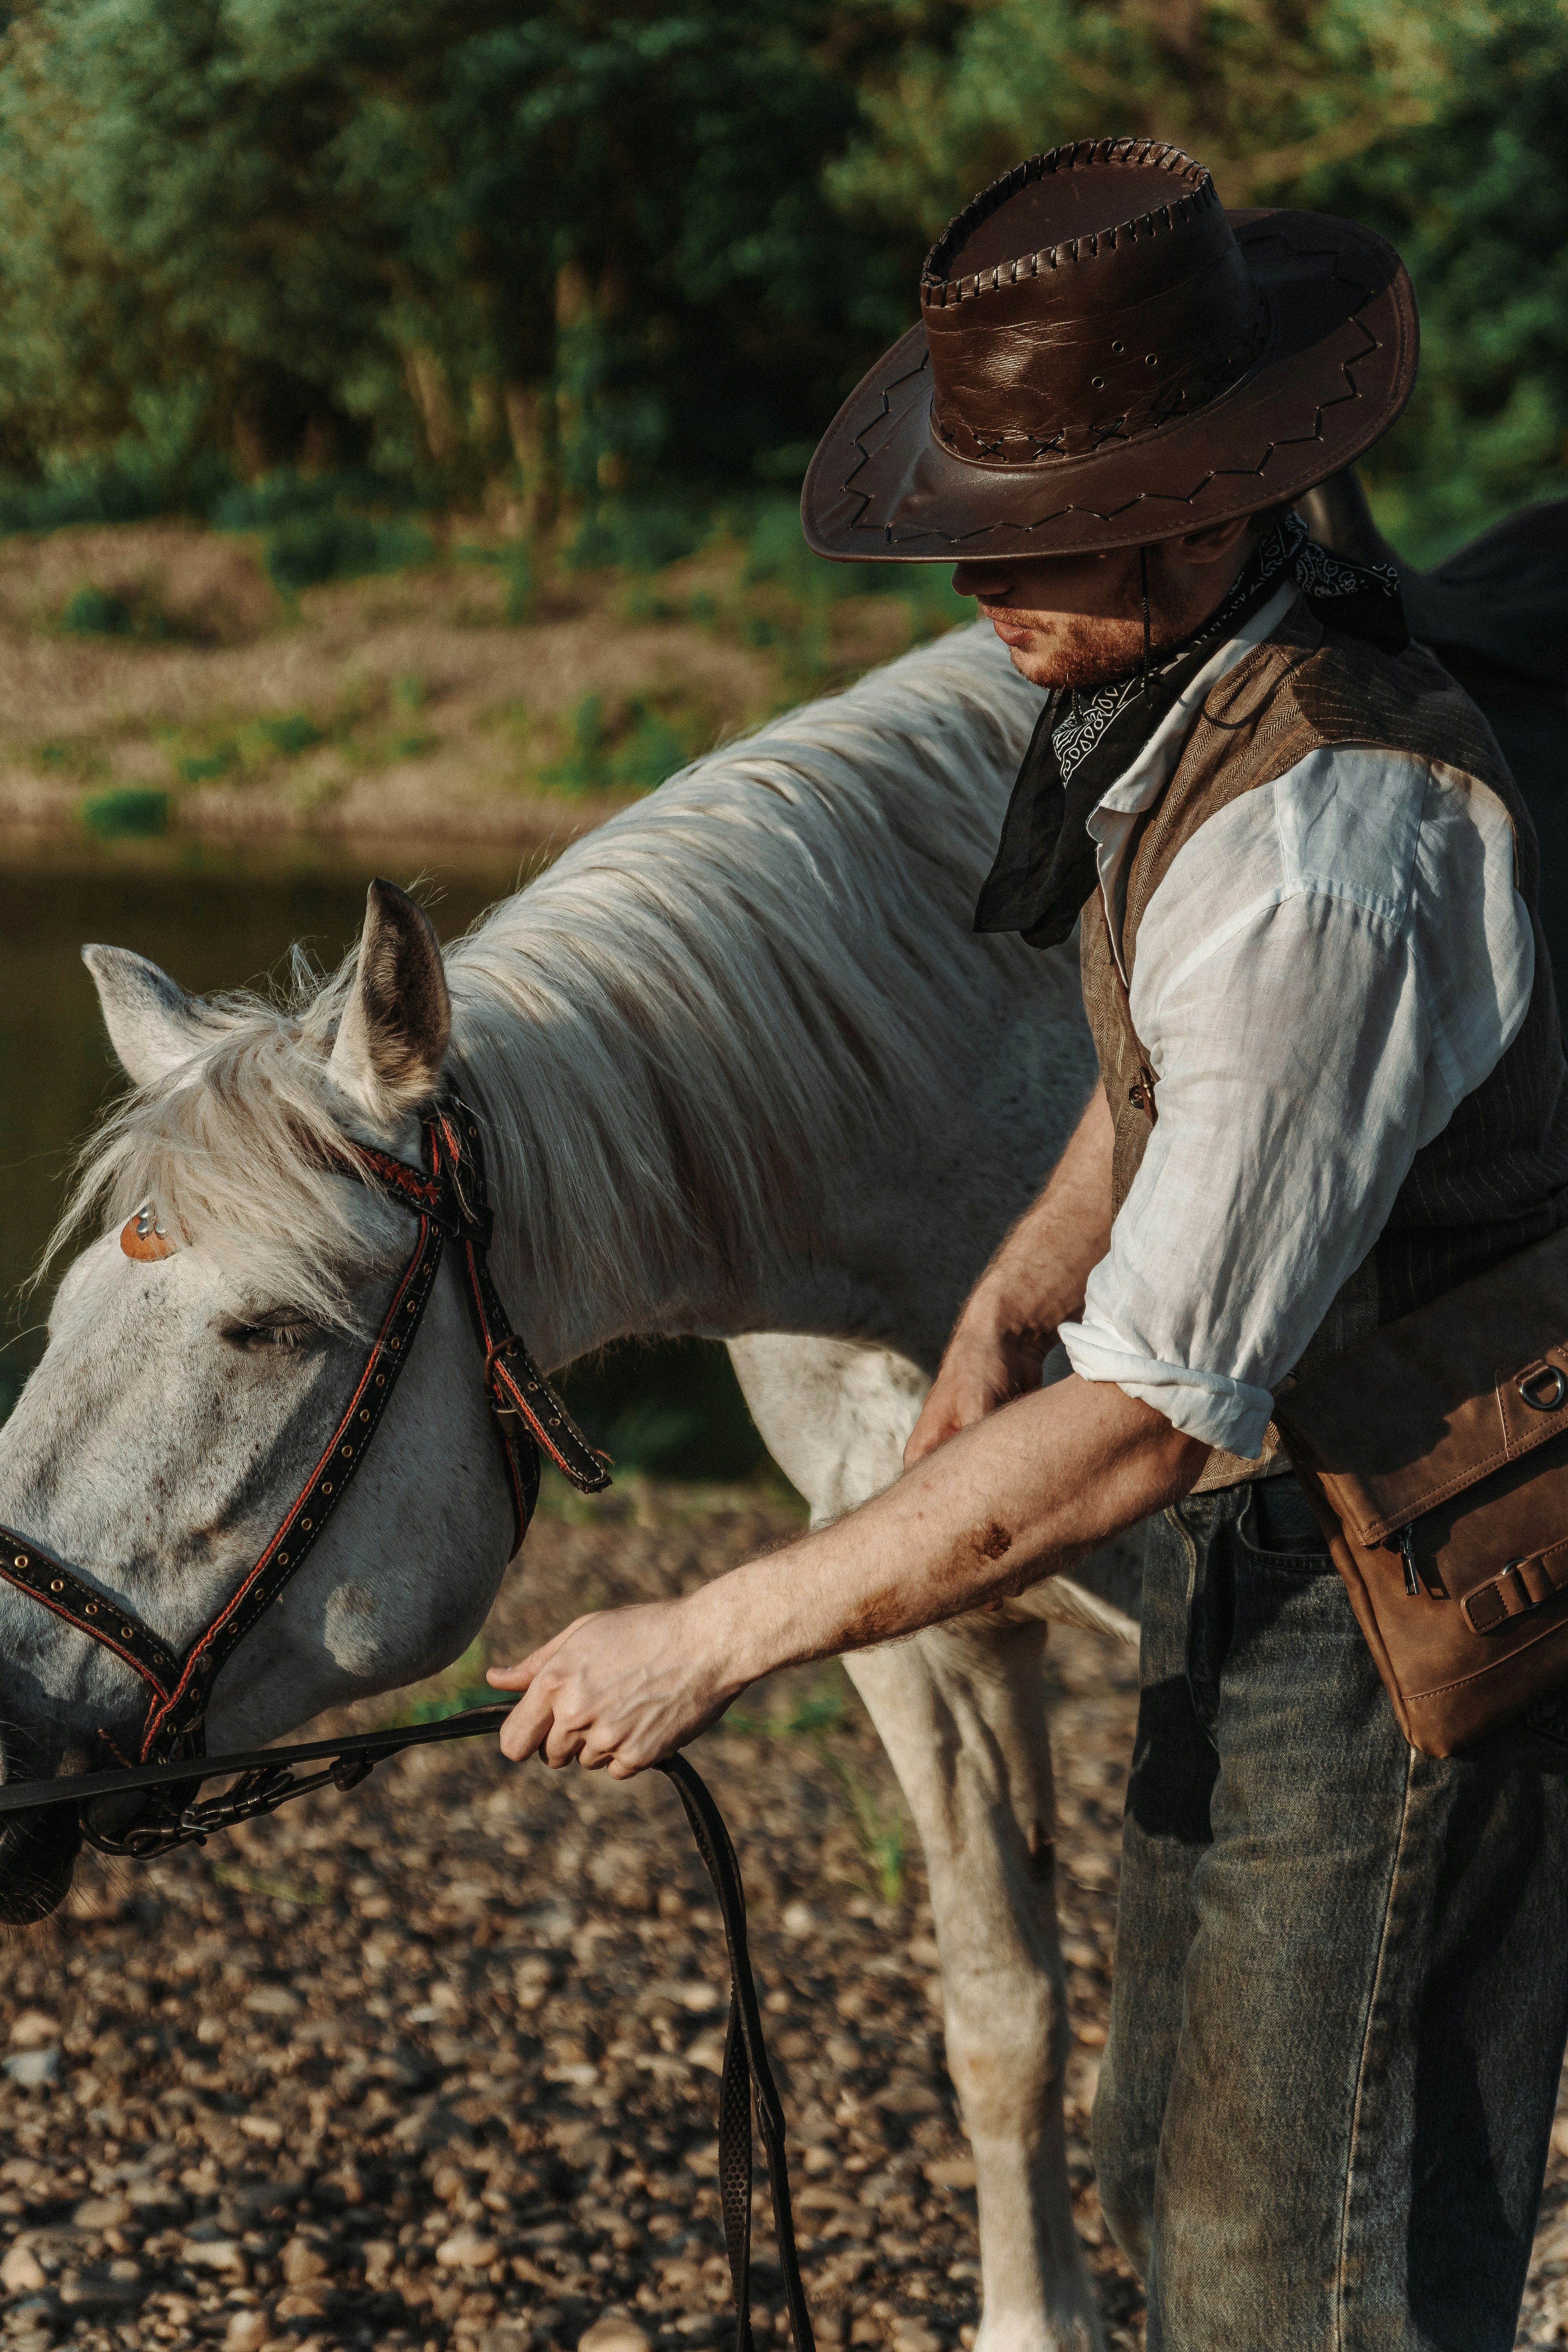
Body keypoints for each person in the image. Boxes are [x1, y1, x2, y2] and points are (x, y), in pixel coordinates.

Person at [489, 138, 1568, 2348]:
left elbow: (1146, 1430)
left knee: (1305, 2261)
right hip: (1284, 1550)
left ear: (1200, 510)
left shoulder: (1330, 840)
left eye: (1032, 537)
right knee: (1187, 2151)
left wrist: (705, 1636)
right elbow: (1174, 1066)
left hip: (1413, 1567)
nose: (977, 588)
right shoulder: (1182, 712)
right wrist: (1013, 1273)